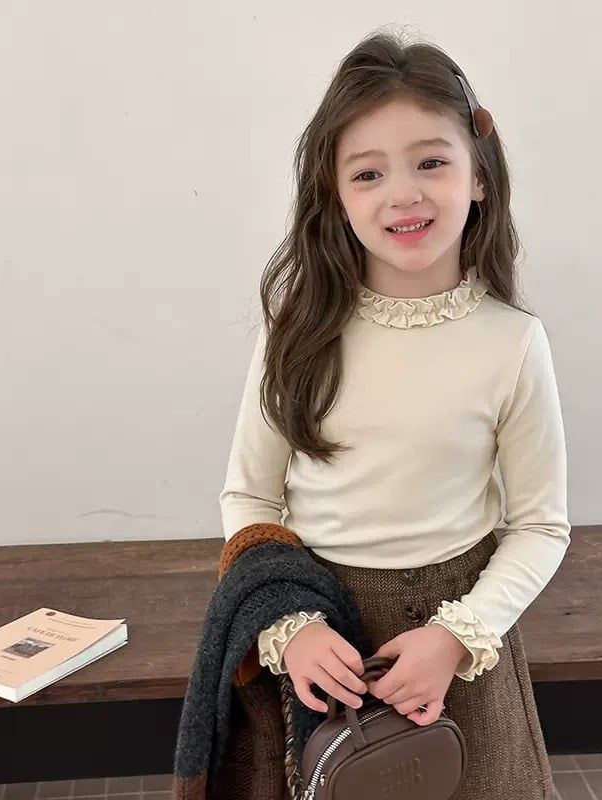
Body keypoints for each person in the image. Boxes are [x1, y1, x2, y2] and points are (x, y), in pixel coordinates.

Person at [218, 29, 569, 800]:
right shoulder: (297, 331)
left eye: (431, 162)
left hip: (461, 641)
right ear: (337, 198)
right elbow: (249, 498)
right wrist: (291, 631)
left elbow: (542, 526)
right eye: (368, 173)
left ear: (480, 176)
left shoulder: (513, 342)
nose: (402, 193)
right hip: (325, 648)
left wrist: (455, 638)